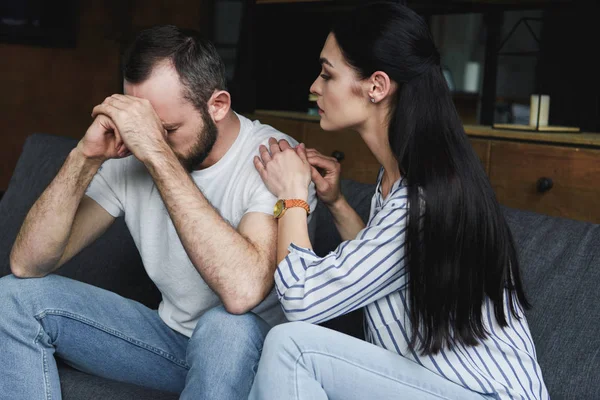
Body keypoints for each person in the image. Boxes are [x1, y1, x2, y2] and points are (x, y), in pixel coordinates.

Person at [249, 3, 549, 399]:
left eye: (327, 74)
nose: (314, 87)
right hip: (441, 388)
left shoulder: (421, 199)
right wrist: (336, 203)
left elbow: (303, 301)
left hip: (484, 394)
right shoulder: (401, 179)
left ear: (377, 85)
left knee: (292, 348)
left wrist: (292, 197)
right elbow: (389, 263)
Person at [0, 25, 316, 399]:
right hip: (168, 343)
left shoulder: (274, 158)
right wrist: (84, 157)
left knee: (226, 326)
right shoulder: (132, 151)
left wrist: (155, 151)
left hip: (250, 353)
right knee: (12, 297)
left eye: (167, 129)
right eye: (144, 128)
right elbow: (27, 264)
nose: (149, 141)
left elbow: (242, 292)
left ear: (217, 105)